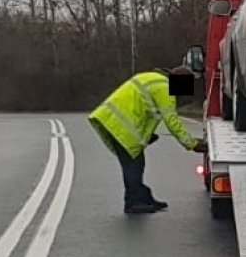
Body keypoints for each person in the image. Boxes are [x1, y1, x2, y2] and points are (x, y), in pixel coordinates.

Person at [87, 65, 207, 214]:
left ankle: (142, 197)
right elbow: (172, 121)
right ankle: (134, 202)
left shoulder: (154, 79)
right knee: (133, 165)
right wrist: (192, 144)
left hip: (113, 121)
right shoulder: (165, 89)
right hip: (119, 126)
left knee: (136, 163)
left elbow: (141, 108)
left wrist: (148, 135)